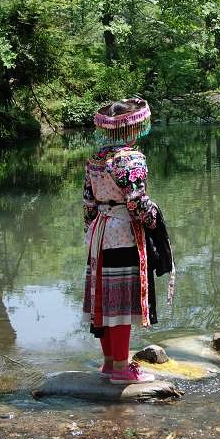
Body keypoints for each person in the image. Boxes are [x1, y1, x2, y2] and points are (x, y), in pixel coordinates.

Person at [83, 97, 161, 384]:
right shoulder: (131, 158)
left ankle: (108, 364)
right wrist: (155, 221)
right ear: (132, 128)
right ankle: (121, 369)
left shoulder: (95, 159)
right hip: (123, 234)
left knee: (103, 301)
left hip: (99, 234)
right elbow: (137, 203)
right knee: (122, 304)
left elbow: (88, 204)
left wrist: (91, 231)